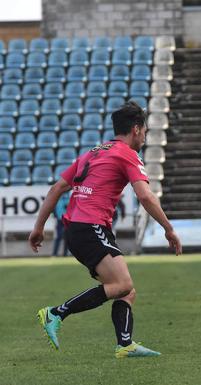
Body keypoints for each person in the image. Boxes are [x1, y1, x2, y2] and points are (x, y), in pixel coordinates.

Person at [29, 101, 182, 358]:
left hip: (79, 228)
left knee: (126, 291)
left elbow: (57, 188)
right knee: (123, 283)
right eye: (144, 131)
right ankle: (56, 313)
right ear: (136, 129)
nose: (144, 137)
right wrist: (168, 229)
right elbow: (145, 197)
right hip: (90, 226)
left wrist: (38, 228)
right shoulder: (128, 154)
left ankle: (125, 345)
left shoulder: (94, 152)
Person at [52, 192, 70, 257]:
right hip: (59, 220)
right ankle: (54, 253)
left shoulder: (69, 197)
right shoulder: (57, 197)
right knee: (58, 237)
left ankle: (65, 254)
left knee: (66, 237)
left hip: (66, 220)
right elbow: (53, 209)